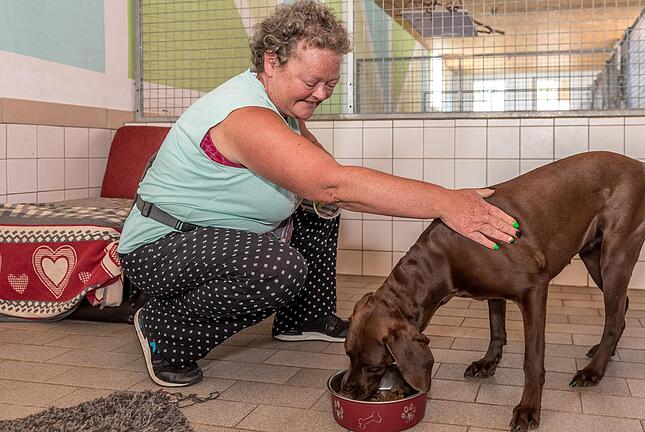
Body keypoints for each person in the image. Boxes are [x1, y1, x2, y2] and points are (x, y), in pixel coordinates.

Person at [118, 0, 521, 388]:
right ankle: (163, 332)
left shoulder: (282, 111)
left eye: (330, 83)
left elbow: (324, 177)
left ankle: (303, 318)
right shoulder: (245, 115)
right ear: (271, 62)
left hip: (211, 236)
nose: (322, 94)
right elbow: (333, 181)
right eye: (312, 82)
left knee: (321, 207)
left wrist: (331, 192)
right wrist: (446, 201)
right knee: (277, 265)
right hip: (162, 247)